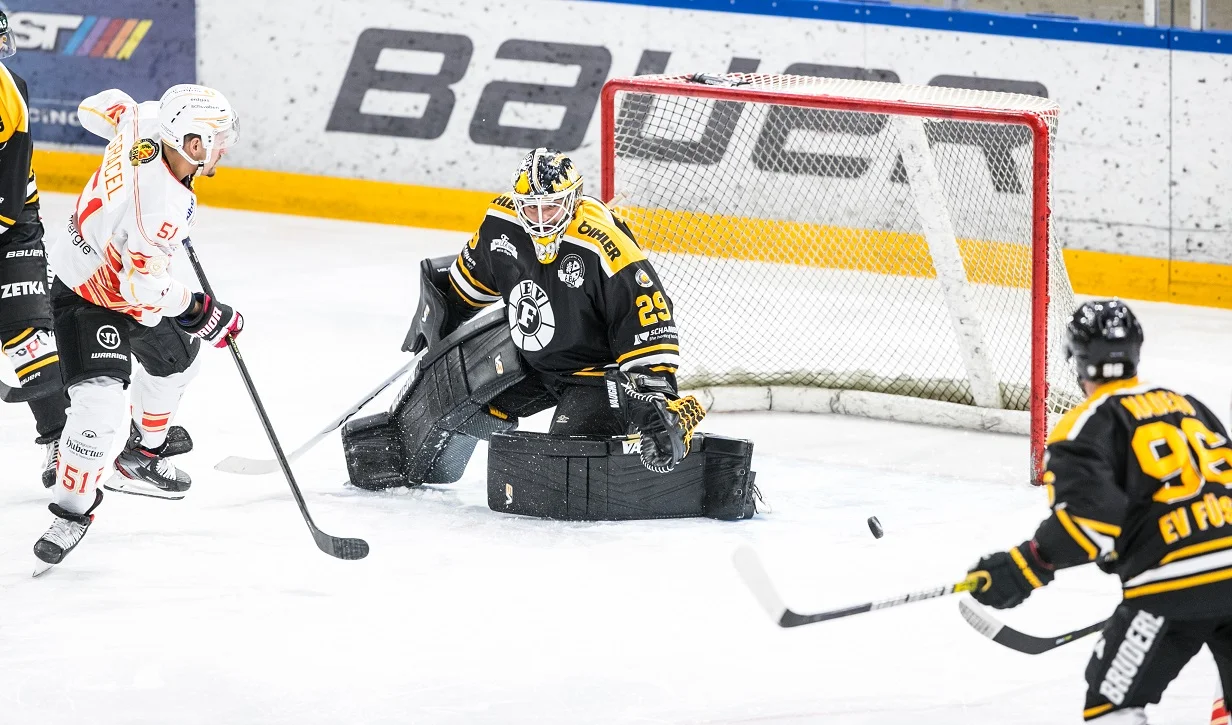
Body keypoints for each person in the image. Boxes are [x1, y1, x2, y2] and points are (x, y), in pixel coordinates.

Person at [345, 148, 705, 493]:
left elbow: (646, 319)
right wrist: (438, 318)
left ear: (574, 200)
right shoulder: (502, 224)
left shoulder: (605, 247)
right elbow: (466, 285)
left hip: (594, 373)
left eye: (551, 207)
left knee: (565, 464)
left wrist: (655, 392)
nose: (540, 219)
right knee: (460, 409)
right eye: (530, 209)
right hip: (529, 359)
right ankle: (407, 464)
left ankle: (669, 435)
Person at [968, 300, 1232, 723]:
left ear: (1076, 358)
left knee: (1112, 705)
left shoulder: (1087, 424)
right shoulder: (1191, 407)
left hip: (1169, 590)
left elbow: (1092, 523)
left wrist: (1023, 567)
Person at [34, 84, 244, 568]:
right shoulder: (161, 212)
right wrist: (205, 312)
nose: (224, 147)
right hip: (88, 297)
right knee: (98, 411)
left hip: (121, 280)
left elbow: (98, 103)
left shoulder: (145, 121)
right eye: (217, 138)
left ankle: (141, 456)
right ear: (192, 143)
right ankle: (72, 512)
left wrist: (123, 160)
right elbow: (147, 288)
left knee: (177, 362)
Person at [0, 10, 70, 488]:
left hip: (12, 226)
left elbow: (6, 199)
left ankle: (61, 441)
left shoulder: (11, 96)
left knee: (28, 336)